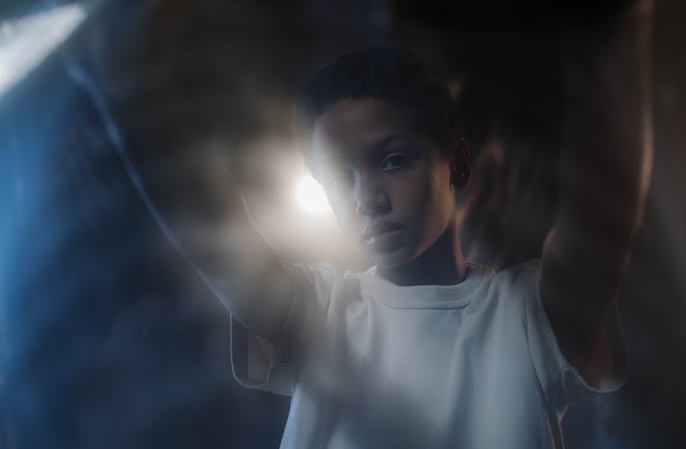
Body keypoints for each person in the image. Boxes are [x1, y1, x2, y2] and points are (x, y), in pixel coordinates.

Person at [182, 43, 651, 448]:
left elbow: (601, 218)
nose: (368, 199)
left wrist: (606, 25)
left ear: (458, 164)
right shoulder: (318, 312)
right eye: (338, 176)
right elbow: (200, 223)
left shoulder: (524, 313)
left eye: (393, 159)